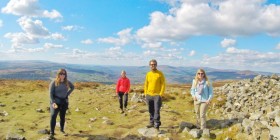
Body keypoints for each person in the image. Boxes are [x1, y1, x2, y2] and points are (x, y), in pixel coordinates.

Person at [49, 69, 74, 138]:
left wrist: (67, 94)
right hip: (55, 102)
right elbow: (50, 94)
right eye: (61, 74)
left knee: (62, 117)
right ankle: (52, 133)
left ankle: (62, 129)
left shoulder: (67, 82)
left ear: (65, 75)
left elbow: (72, 87)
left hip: (64, 102)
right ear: (58, 74)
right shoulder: (54, 82)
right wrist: (53, 102)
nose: (62, 75)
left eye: (64, 74)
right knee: (53, 116)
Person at [144, 59, 165, 131]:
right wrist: (145, 93)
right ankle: (151, 122)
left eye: (154, 64)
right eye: (151, 64)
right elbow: (146, 84)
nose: (153, 65)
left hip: (157, 95)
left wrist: (160, 94)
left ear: (156, 65)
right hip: (149, 95)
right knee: (150, 110)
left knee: (156, 110)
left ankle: (157, 124)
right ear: (149, 65)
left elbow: (163, 84)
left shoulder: (160, 73)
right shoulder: (148, 74)